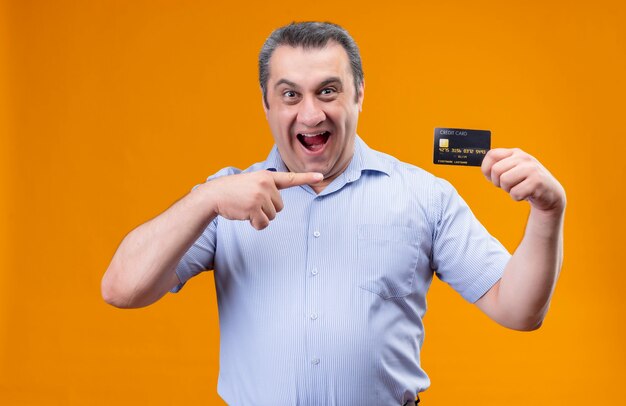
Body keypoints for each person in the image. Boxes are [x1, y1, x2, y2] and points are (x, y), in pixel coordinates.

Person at [102, 21, 566, 406]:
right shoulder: (224, 200)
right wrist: (204, 199)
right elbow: (121, 289)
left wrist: (547, 213)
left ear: (359, 94)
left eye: (328, 91)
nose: (311, 115)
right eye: (289, 95)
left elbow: (519, 310)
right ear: (266, 102)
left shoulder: (425, 197)